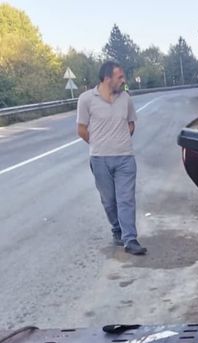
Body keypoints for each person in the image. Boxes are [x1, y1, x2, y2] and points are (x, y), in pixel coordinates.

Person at [76, 61, 147, 255]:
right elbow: (81, 129)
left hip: (125, 158)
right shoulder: (86, 99)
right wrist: (99, 143)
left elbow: (131, 124)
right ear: (107, 78)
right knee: (109, 201)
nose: (124, 81)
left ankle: (130, 239)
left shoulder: (126, 98)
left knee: (126, 199)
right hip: (99, 159)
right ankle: (117, 229)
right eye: (120, 77)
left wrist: (120, 140)